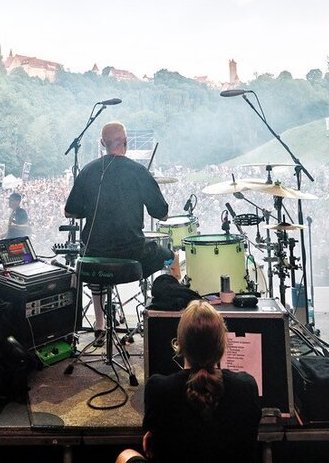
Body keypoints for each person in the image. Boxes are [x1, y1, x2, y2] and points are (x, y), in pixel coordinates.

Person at [118, 300, 261, 463]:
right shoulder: (247, 386)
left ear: (180, 343)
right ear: (221, 345)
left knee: (125, 455)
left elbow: (154, 439)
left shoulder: (157, 388)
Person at [65, 122, 175, 331]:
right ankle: (162, 320)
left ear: (102, 143)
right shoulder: (138, 171)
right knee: (170, 256)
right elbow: (161, 213)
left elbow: (69, 212)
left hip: (94, 256)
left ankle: (99, 323)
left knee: (96, 262)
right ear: (126, 141)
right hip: (132, 256)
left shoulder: (88, 170)